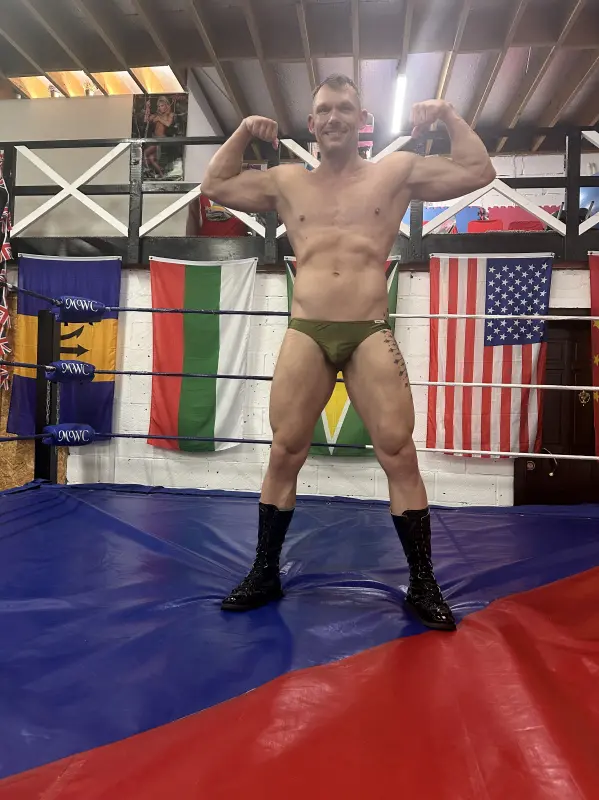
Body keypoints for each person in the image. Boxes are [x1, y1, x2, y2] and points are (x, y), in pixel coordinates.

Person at [201, 74, 496, 632]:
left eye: (345, 108)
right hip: (307, 330)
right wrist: (242, 131)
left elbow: (479, 171)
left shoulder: (395, 172)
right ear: (311, 124)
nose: (333, 117)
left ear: (363, 121)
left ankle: (423, 582)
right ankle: (264, 572)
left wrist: (448, 115)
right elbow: (214, 184)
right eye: (324, 110)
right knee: (284, 450)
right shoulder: (287, 181)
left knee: (398, 452)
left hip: (367, 330)